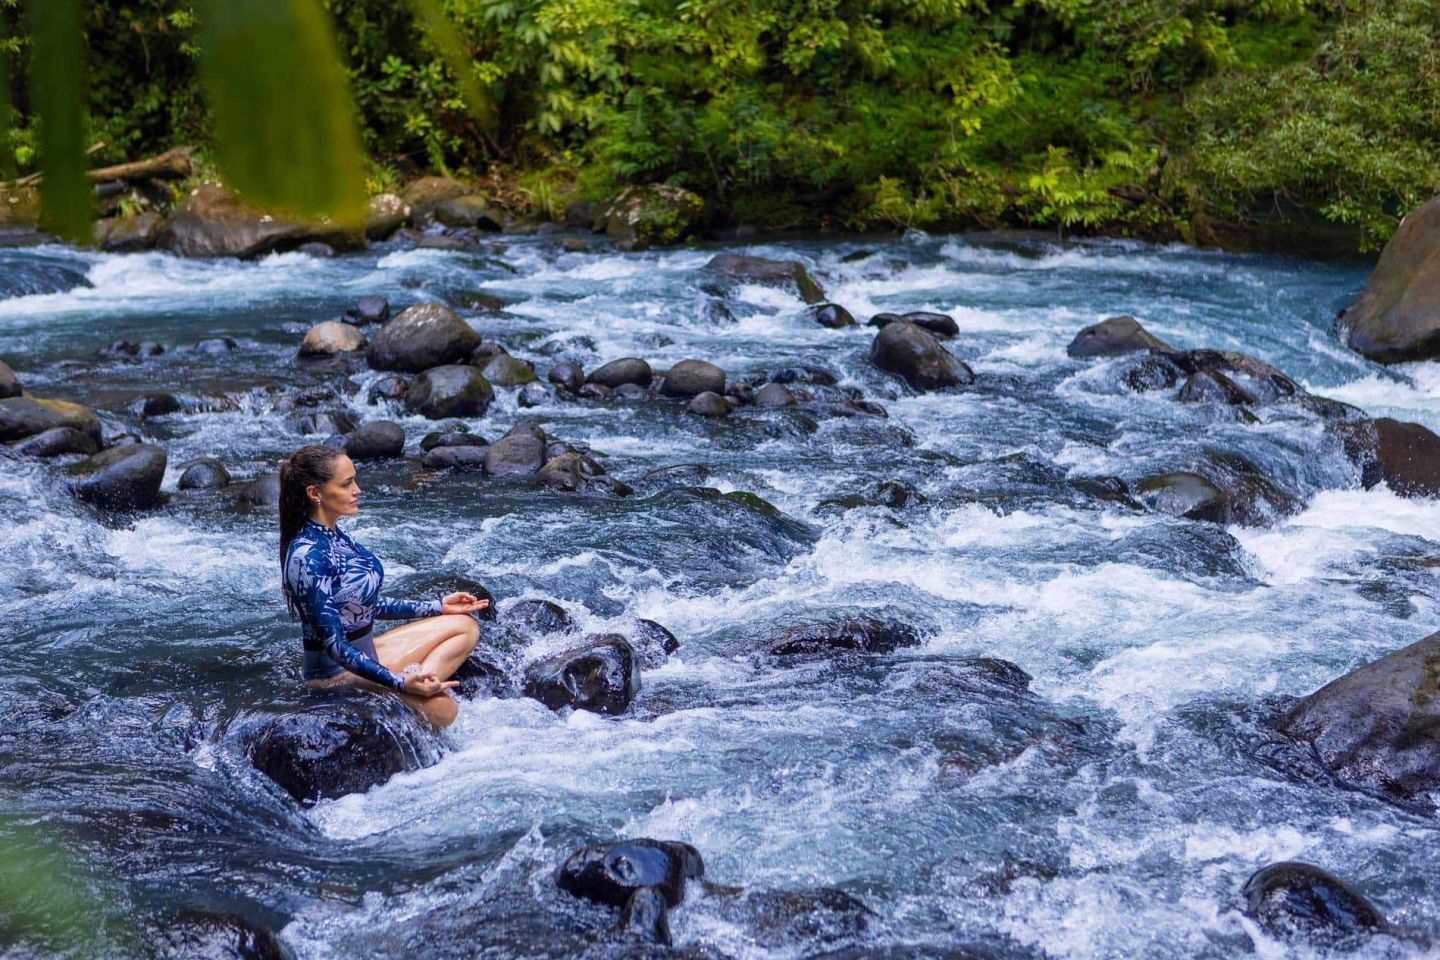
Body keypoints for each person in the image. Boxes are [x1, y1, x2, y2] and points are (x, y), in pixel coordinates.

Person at [278, 444, 488, 727]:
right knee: (444, 710)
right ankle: (413, 690)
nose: (358, 490)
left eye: (355, 479)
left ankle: (422, 681)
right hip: (335, 676)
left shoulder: (336, 535)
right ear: (315, 493)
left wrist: (437, 606)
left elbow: (364, 605)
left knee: (464, 625)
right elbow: (336, 647)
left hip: (367, 654)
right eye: (347, 483)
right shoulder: (306, 557)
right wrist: (398, 683)